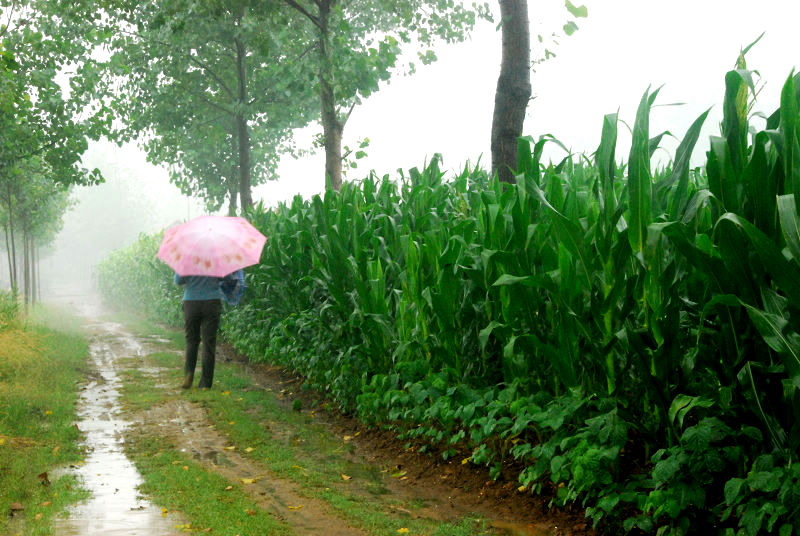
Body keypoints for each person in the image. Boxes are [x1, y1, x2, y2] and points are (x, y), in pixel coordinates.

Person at [174, 271, 238, 389]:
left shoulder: (188, 259)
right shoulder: (216, 259)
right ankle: (205, 384)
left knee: (191, 340)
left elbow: (178, 281)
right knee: (209, 343)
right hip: (212, 302)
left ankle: (188, 375)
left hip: (191, 302)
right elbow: (229, 279)